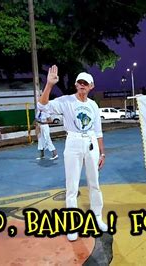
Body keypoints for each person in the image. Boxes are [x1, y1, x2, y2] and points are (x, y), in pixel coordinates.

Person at [38, 65, 107, 241]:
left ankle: (97, 217)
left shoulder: (93, 105)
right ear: (76, 85)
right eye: (80, 82)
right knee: (72, 185)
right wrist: (49, 85)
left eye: (86, 83)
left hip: (91, 141)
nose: (82, 85)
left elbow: (98, 131)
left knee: (94, 183)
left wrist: (102, 153)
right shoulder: (66, 101)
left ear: (91, 86)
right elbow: (43, 106)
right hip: (74, 141)